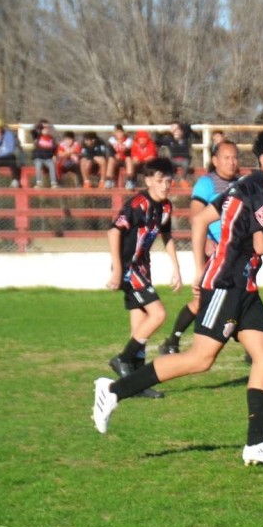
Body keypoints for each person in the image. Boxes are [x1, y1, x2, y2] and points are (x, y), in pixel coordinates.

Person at [92, 127, 263, 468]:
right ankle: (113, 391)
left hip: (242, 286)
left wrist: (201, 265)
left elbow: (202, 216)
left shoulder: (246, 185)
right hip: (227, 284)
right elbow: (262, 245)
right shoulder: (261, 189)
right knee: (200, 359)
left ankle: (256, 444)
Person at [104, 157, 183, 400]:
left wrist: (176, 268)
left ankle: (134, 384)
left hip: (142, 268)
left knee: (139, 328)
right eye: (159, 181)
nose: (165, 185)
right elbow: (113, 231)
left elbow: (167, 237)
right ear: (148, 180)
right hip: (129, 269)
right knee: (158, 314)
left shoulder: (167, 207)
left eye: (168, 180)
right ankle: (123, 358)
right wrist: (118, 269)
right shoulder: (138, 204)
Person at [158, 139, 241, 355]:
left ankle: (173, 341)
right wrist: (206, 243)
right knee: (204, 299)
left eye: (235, 157)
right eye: (226, 157)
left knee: (238, 296)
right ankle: (173, 340)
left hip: (235, 253)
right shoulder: (207, 184)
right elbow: (196, 217)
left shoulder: (240, 183)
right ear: (215, 160)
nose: (232, 162)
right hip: (214, 253)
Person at [0, 119, 22, 187]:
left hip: (6, 157)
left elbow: (10, 150)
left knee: (12, 158)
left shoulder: (8, 135)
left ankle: (15, 180)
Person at [31, 121, 57, 188]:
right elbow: (33, 130)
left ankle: (53, 183)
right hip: (38, 157)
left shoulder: (51, 138)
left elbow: (55, 148)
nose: (46, 129)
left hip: (48, 158)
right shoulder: (37, 136)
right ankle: (38, 183)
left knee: (52, 165)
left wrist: (54, 155)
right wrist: (40, 125)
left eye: (47, 128)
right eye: (44, 128)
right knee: (38, 164)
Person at [107, 124, 133, 189]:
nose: (119, 134)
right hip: (116, 159)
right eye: (117, 132)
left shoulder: (128, 141)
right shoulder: (111, 140)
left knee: (128, 159)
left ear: (123, 132)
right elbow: (110, 151)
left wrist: (122, 152)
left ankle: (129, 181)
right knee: (111, 159)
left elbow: (128, 152)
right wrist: (115, 155)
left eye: (120, 132)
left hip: (124, 159)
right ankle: (109, 180)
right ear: (114, 133)